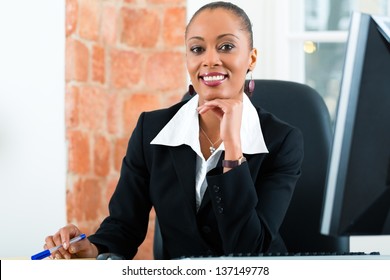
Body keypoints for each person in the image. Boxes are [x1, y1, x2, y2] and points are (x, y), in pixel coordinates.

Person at [43, 1, 303, 260]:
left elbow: (250, 250)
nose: (210, 60)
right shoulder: (151, 130)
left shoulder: (282, 141)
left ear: (251, 58)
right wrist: (92, 249)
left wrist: (233, 150)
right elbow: (123, 226)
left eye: (226, 46)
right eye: (197, 49)